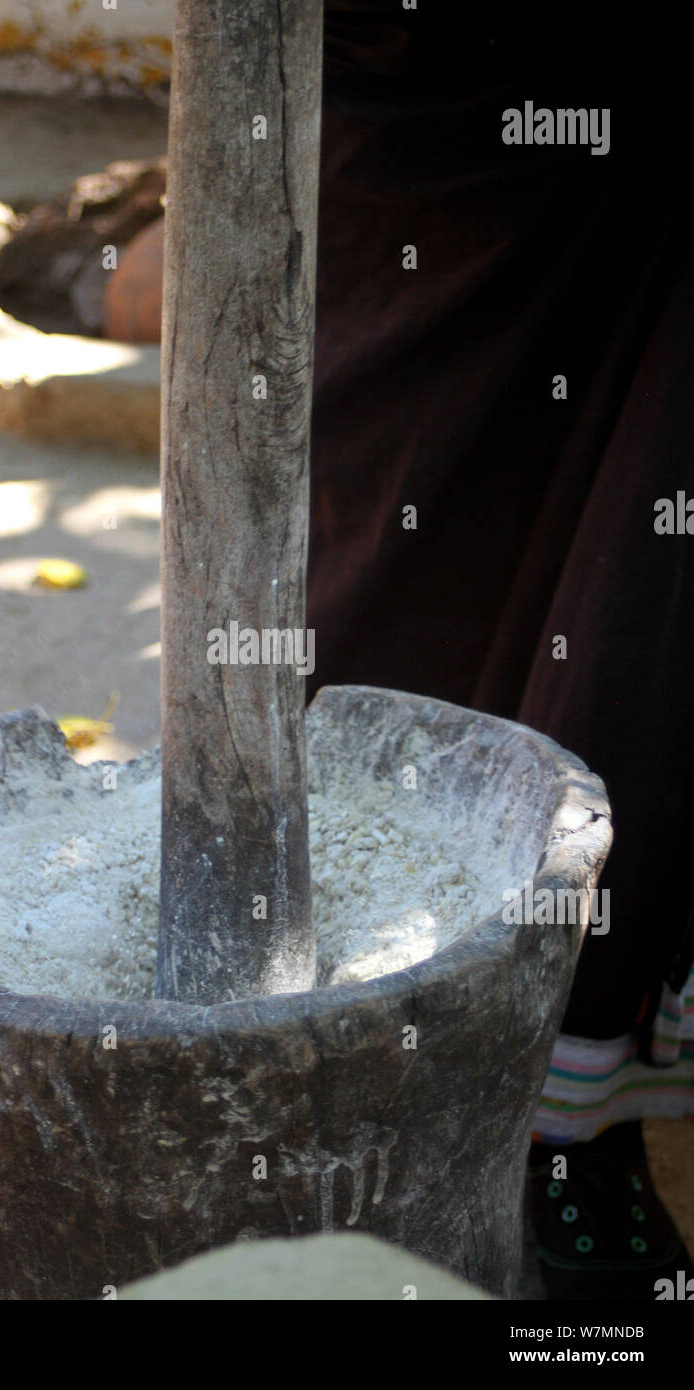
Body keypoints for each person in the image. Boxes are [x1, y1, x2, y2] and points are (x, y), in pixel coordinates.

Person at [306, 1, 694, 1299]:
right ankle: (349, 1038)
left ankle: (564, 1115)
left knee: (649, 583)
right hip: (452, 83)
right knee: (412, 533)